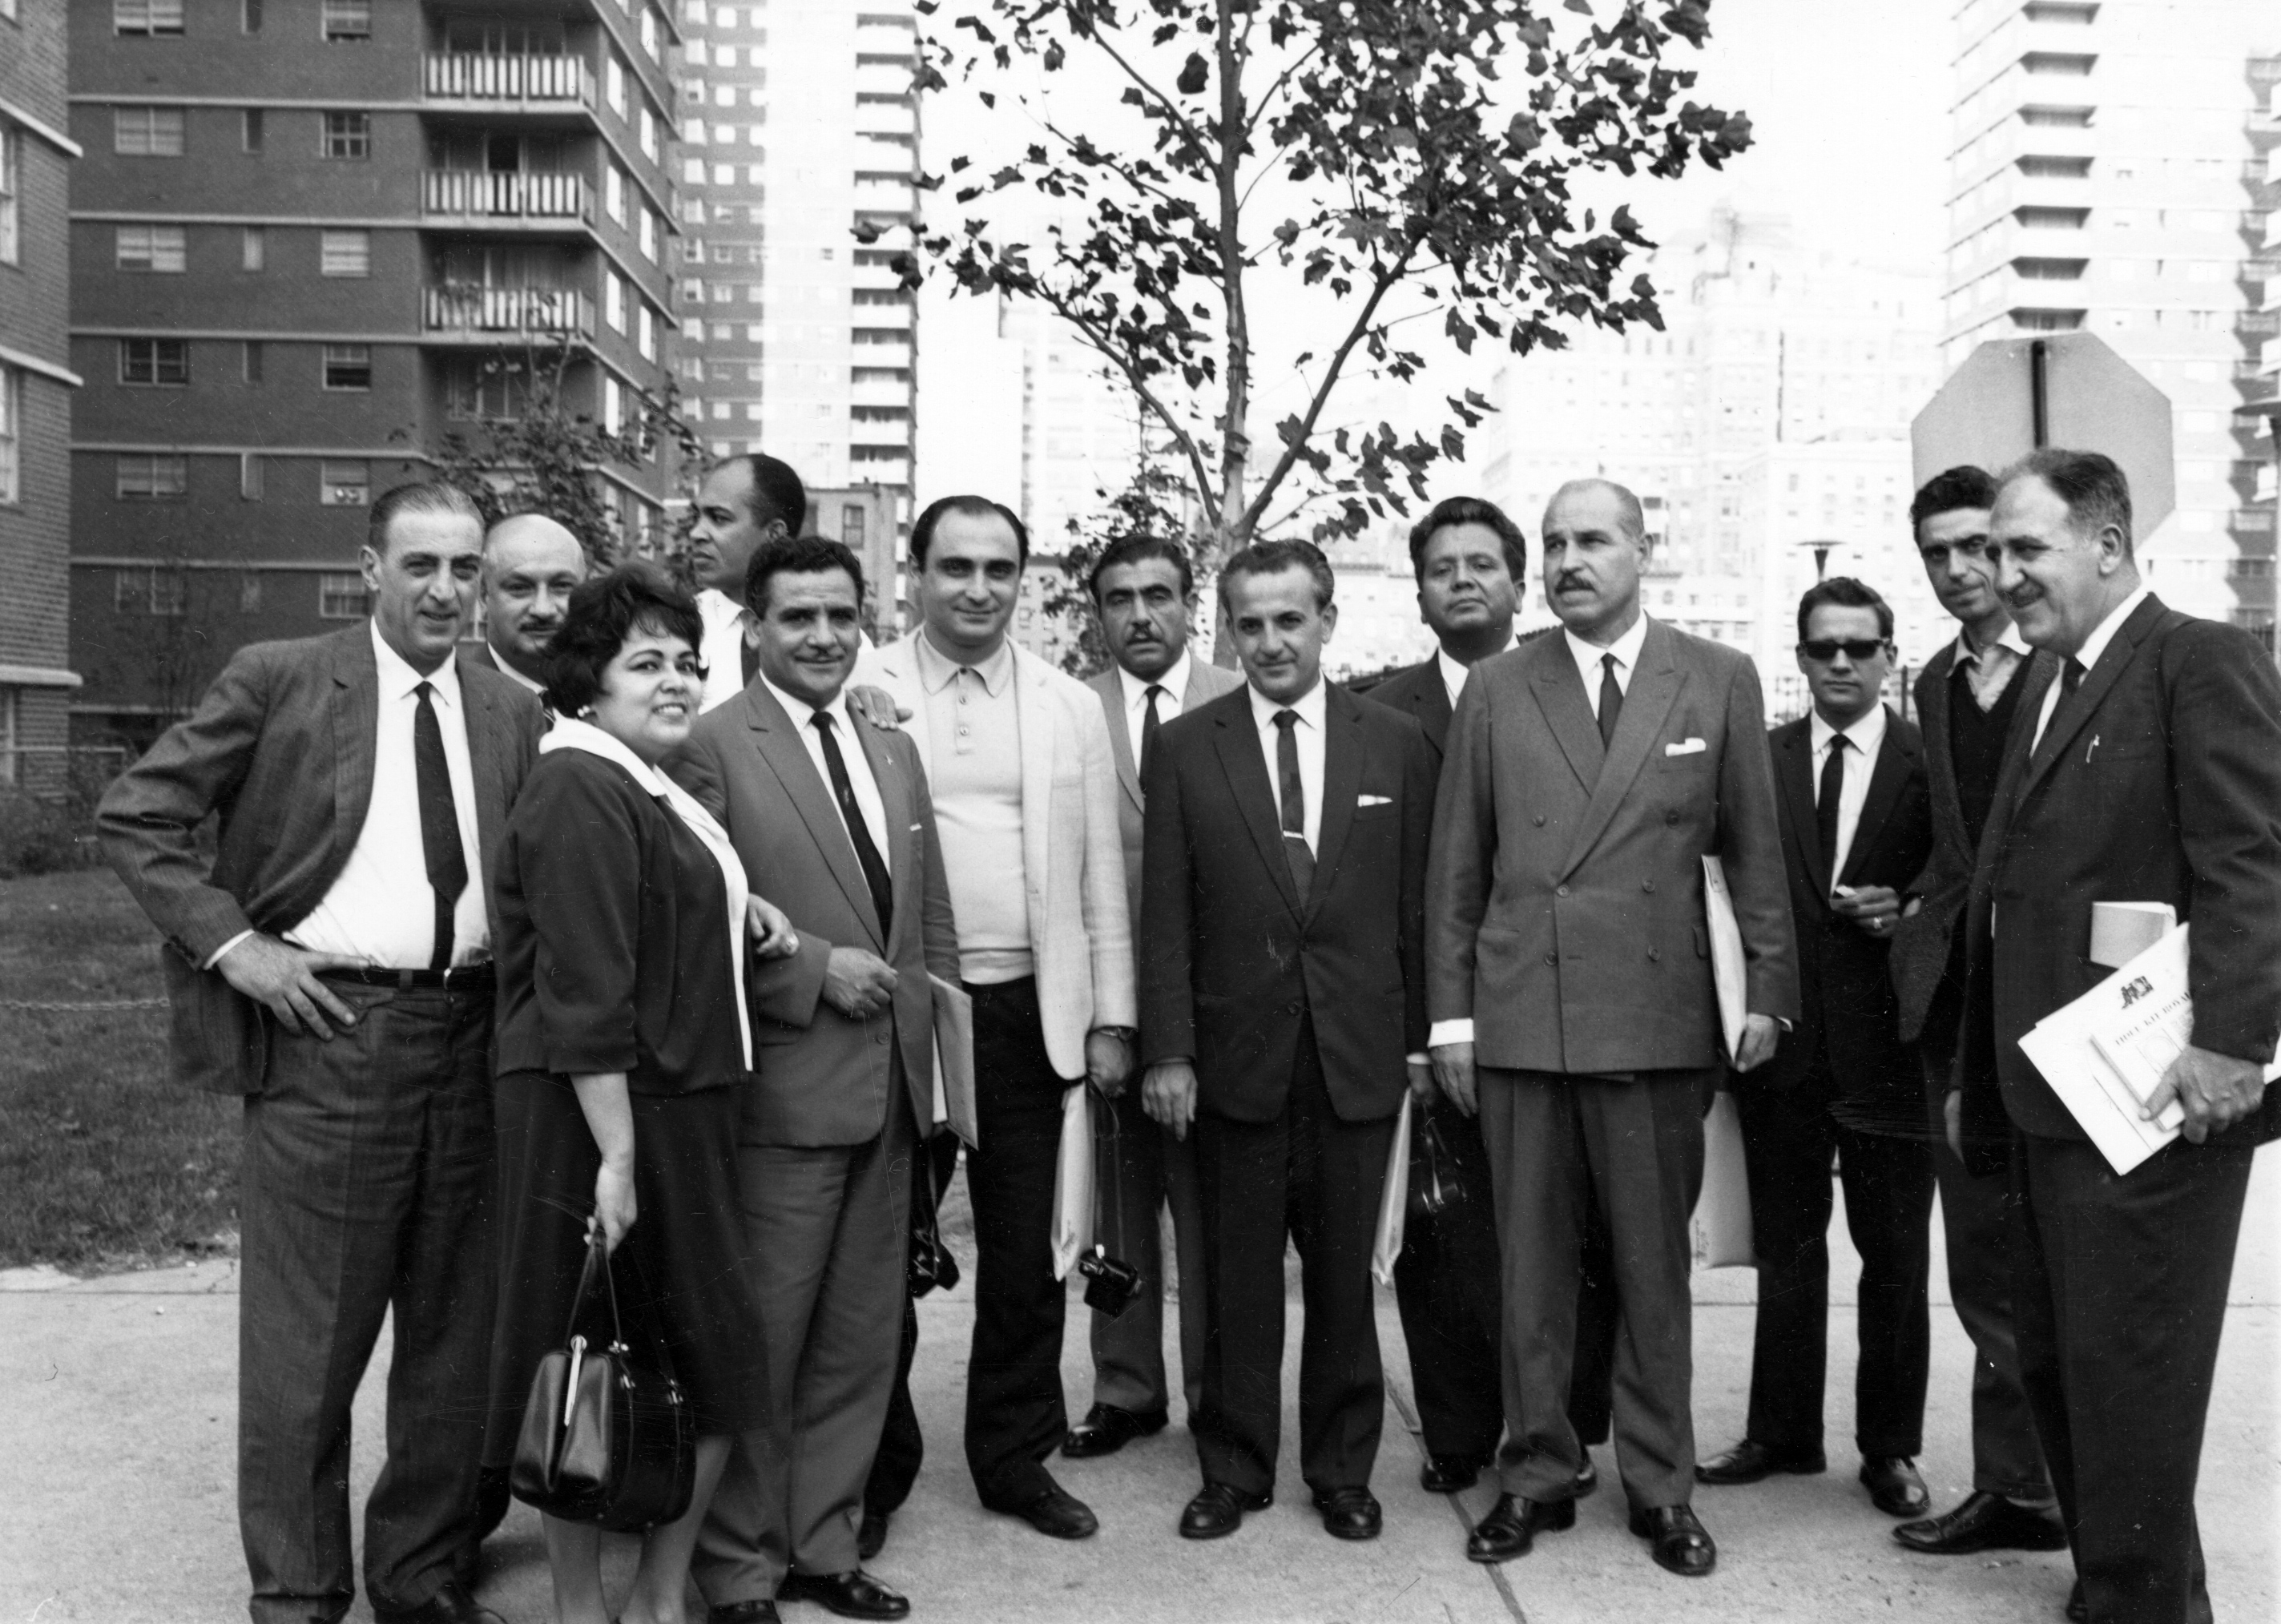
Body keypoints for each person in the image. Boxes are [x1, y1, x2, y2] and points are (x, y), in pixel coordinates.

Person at [98, 481, 545, 1624]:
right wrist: (234, 943)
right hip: (331, 1037)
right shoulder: (283, 677)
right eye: (422, 566)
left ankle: (420, 1574)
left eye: (465, 569)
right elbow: (137, 813)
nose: (446, 590)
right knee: (309, 1344)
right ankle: (297, 1591)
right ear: (369, 568)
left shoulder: (509, 708)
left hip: (473, 1033)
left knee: (454, 1335)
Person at [1425, 478, 1797, 1578]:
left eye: (1591, 540)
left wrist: (1766, 991)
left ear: (1643, 549)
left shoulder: (1716, 677)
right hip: (1521, 1017)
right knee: (1527, 1267)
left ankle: (1658, 1485)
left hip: (1654, 1015)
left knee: (1649, 1270)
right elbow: (1454, 874)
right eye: (1551, 543)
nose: (1567, 560)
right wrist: (1451, 1019)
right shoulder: (1496, 686)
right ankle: (1534, 1472)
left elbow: (1754, 854)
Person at [1959, 449, 2281, 1624]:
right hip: (2053, 1092)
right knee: (2063, 1362)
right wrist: (1968, 1077)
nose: (2000, 574)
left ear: (2105, 544)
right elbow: (2004, 896)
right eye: (1992, 551)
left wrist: (2231, 1045)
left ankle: (2139, 1606)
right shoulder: (2044, 681)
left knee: (2131, 1373)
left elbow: (2249, 860)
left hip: (2159, 1095)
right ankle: (2131, 1588)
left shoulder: (2196, 658)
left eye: (2023, 548)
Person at [486, 564, 798, 1624]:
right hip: (603, 1115)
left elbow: (653, 901)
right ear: (588, 679)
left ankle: (659, 1594)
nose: (675, 680)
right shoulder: (579, 780)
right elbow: (583, 987)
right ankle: (584, 1604)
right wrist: (615, 1157)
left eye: (686, 662)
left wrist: (742, 907)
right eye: (644, 662)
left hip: (677, 1106)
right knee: (582, 1366)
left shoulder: (635, 779)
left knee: (705, 1354)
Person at [673, 536, 960, 1624]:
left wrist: (934, 1079)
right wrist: (802, 968)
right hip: (782, 1097)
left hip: (888, 1091)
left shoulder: (889, 744)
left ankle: (821, 1543)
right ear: (752, 624)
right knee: (767, 1343)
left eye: (841, 613)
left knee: (855, 1343)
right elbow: (692, 913)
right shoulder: (710, 746)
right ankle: (738, 1567)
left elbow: (919, 918)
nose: (823, 635)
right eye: (797, 615)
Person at [1138, 540, 1438, 1542]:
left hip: (1357, 1058)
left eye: (1289, 620)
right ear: (1228, 627)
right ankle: (1233, 1465)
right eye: (1250, 623)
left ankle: (1343, 1470)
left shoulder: (1393, 741)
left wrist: (1424, 1045)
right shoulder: (1186, 744)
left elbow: (1416, 910)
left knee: (1348, 1278)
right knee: (1235, 1277)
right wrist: (1170, 1050)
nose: (1269, 640)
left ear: (1327, 621)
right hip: (1234, 1060)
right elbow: (1167, 913)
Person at [866, 496, 1136, 1541]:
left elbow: (1098, 874)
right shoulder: (864, 683)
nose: (976, 588)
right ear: (917, 575)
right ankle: (872, 1468)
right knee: (881, 1250)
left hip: (1032, 1012)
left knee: (1027, 1256)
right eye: (954, 567)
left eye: (997, 568)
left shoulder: (1067, 703)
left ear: (1021, 577)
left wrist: (1111, 1012)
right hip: (905, 1012)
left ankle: (1013, 1455)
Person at [1363, 496, 1614, 1500]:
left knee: (1574, 1228)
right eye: (1440, 567)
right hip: (1435, 1020)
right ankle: (1460, 1430)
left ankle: (1567, 1424)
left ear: (1520, 582)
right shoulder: (1380, 713)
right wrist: (1420, 1032)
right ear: (1418, 592)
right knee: (1444, 1230)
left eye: (1483, 563)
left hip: (1557, 1012)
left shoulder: (1581, 690)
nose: (1463, 579)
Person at [1698, 578, 1936, 1520]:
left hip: (1889, 1052)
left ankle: (1891, 1448)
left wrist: (1907, 911)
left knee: (1896, 1258)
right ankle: (1783, 1430)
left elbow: (1955, 884)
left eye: (1860, 646)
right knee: (1788, 1250)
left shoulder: (1930, 762)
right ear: (1798, 657)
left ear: (1889, 656)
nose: (1842, 662)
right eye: (1823, 647)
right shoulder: (1758, 759)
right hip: (1787, 1048)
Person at [1883, 467, 2065, 1558]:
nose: (1959, 571)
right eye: (1936, 554)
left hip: (2059, 1013)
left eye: (1974, 547)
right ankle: (2018, 1485)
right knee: (1980, 1268)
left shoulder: (2068, 666)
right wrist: (1909, 911)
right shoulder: (1937, 684)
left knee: (2060, 1270)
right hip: (1959, 1012)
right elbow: (1959, 849)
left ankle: (2074, 1492)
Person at [1064, 532, 1242, 1460]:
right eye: (1121, 597)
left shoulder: (1239, 699)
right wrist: (1101, 1012)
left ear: (1190, 603)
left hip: (1212, 1017)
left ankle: (1220, 1393)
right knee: (1116, 1218)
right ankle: (1125, 1387)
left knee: (1210, 1216)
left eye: (1160, 594)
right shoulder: (1069, 709)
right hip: (1104, 1015)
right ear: (1098, 612)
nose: (1141, 613)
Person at [687, 453, 809, 714]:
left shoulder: (836, 638)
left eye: (719, 518)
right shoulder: (675, 624)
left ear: (775, 535)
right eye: (697, 517)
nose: (696, 533)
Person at [461, 514, 589, 695]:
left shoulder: (614, 697)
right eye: (520, 588)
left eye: (562, 586)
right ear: (483, 596)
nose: (543, 610)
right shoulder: (451, 699)